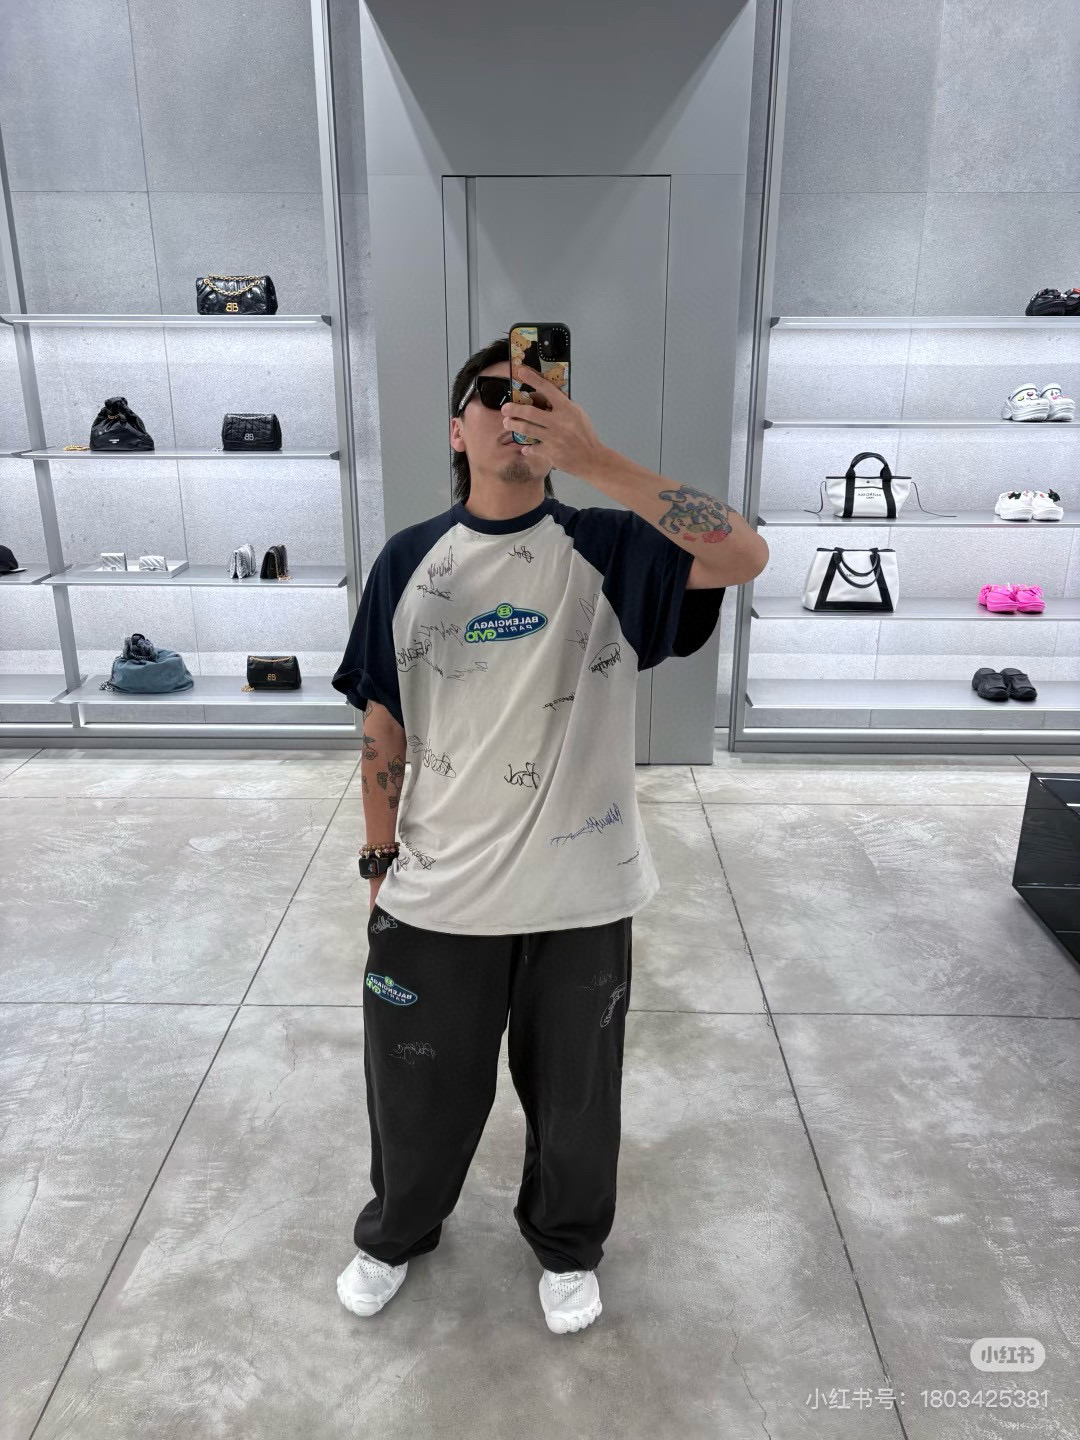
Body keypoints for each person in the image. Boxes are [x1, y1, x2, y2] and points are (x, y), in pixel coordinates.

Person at [331, 337, 768, 1334]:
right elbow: (382, 721)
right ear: (456, 430)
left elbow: (742, 554)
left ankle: (567, 1246)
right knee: (414, 1087)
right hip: (439, 887)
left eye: (538, 394)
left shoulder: (612, 547)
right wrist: (376, 853)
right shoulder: (409, 560)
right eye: (493, 394)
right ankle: (398, 1230)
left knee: (577, 1100)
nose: (514, 409)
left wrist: (598, 460)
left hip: (582, 892)